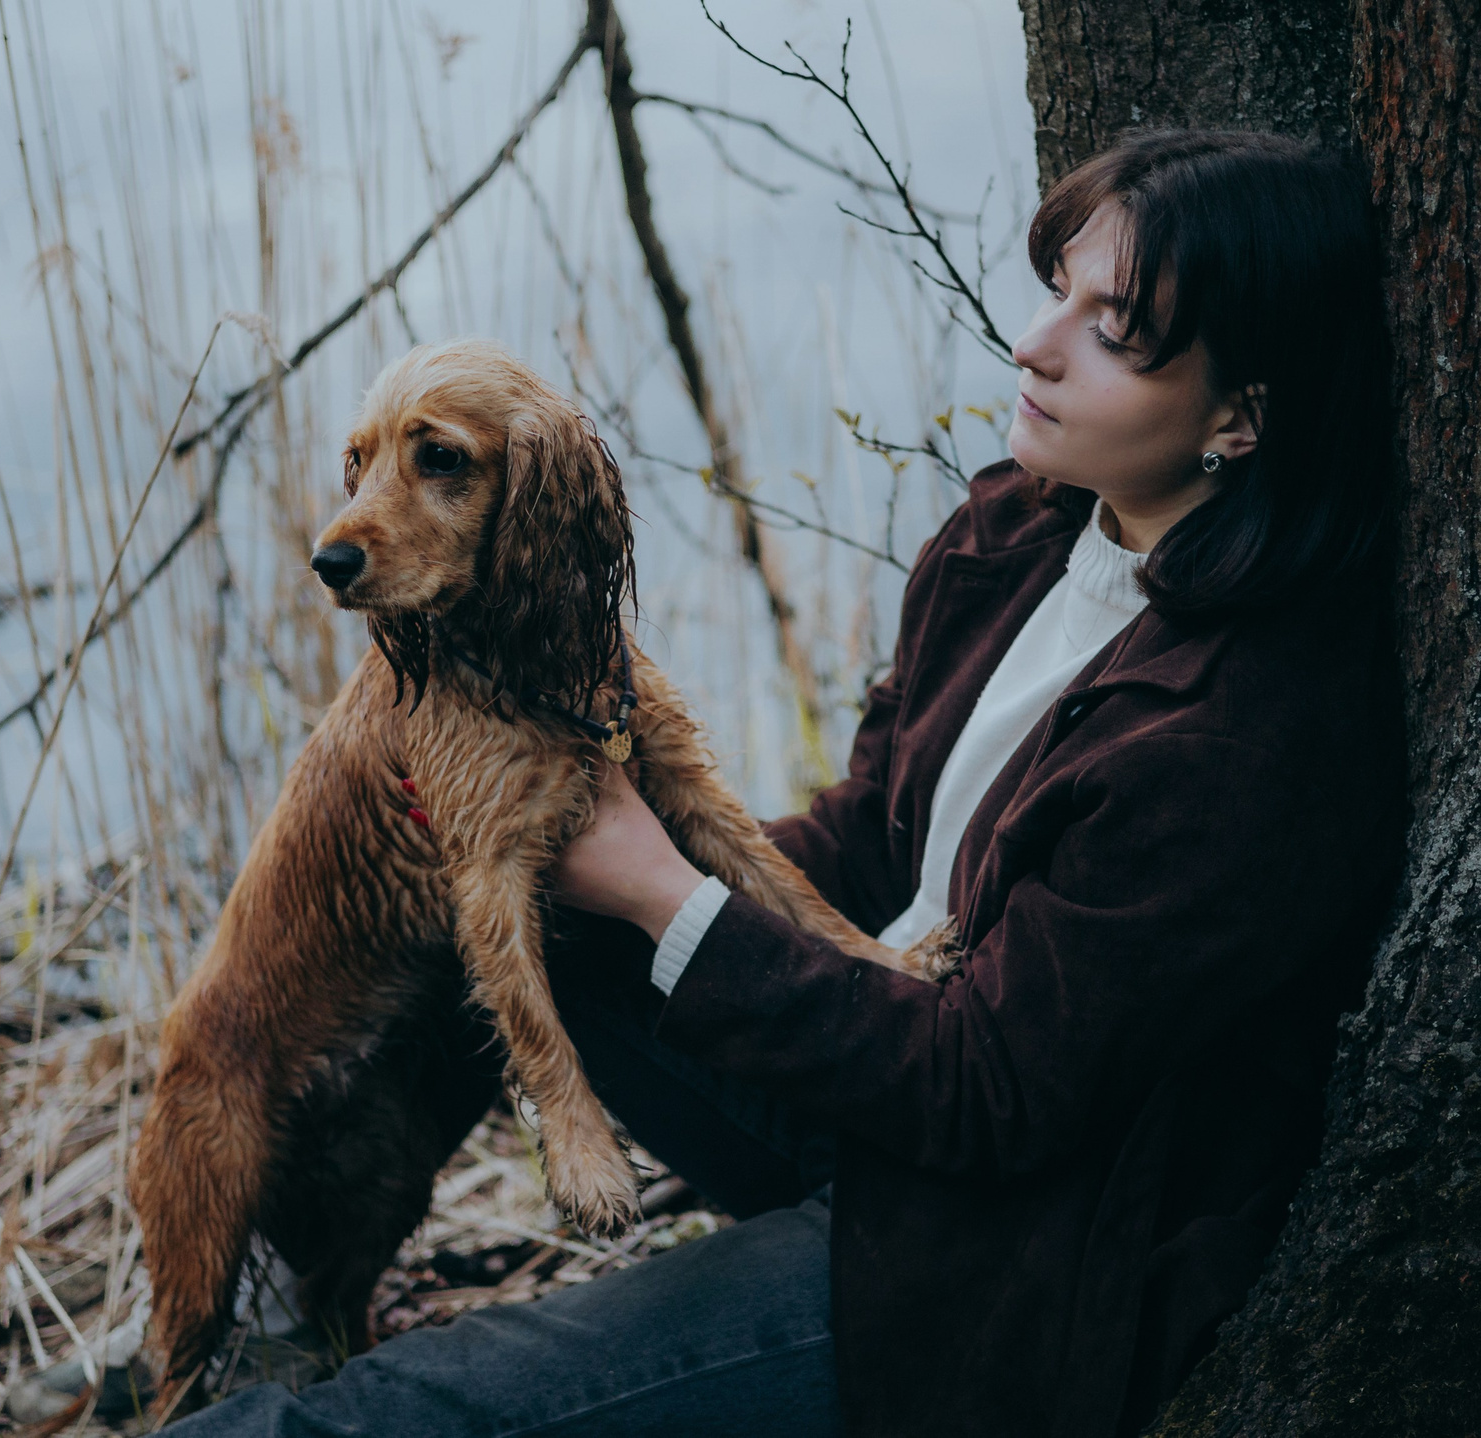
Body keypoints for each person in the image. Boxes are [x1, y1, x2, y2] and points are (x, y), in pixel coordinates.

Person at [166, 127, 1406, 1438]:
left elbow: (986, 1093)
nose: (1037, 342)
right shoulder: (1021, 533)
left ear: (1240, 417)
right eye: (1059, 289)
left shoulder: (1239, 735)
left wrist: (660, 892)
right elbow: (876, 835)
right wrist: (606, 849)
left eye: (1115, 328)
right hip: (869, 1075)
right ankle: (267, 1287)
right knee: (504, 914)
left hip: (986, 1255)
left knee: (421, 1408)